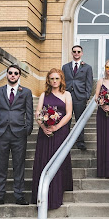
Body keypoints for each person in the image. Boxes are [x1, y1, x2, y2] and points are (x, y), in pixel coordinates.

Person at [0, 65, 34, 206]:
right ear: (6, 74)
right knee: (1, 166)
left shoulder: (26, 92)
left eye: (16, 73)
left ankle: (19, 196)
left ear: (19, 75)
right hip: (1, 133)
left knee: (19, 165)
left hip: (19, 133)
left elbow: (29, 112)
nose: (13, 75)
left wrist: (28, 129)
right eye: (10, 73)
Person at [30, 69, 73, 209]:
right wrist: (43, 126)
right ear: (48, 80)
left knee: (57, 161)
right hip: (45, 133)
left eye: (57, 78)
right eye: (52, 78)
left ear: (61, 80)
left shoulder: (67, 94)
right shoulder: (44, 95)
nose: (54, 81)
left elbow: (68, 114)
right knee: (44, 160)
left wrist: (57, 127)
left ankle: (56, 195)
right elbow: (38, 112)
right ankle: (42, 196)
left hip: (60, 132)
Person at [62, 45, 93, 150]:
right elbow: (62, 81)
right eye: (74, 51)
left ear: (82, 53)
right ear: (72, 53)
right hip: (67, 96)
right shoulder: (65, 67)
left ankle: (80, 142)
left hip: (80, 97)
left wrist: (87, 96)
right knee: (66, 120)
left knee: (80, 120)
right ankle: (65, 141)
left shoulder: (87, 67)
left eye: (78, 51)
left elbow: (89, 83)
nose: (76, 53)